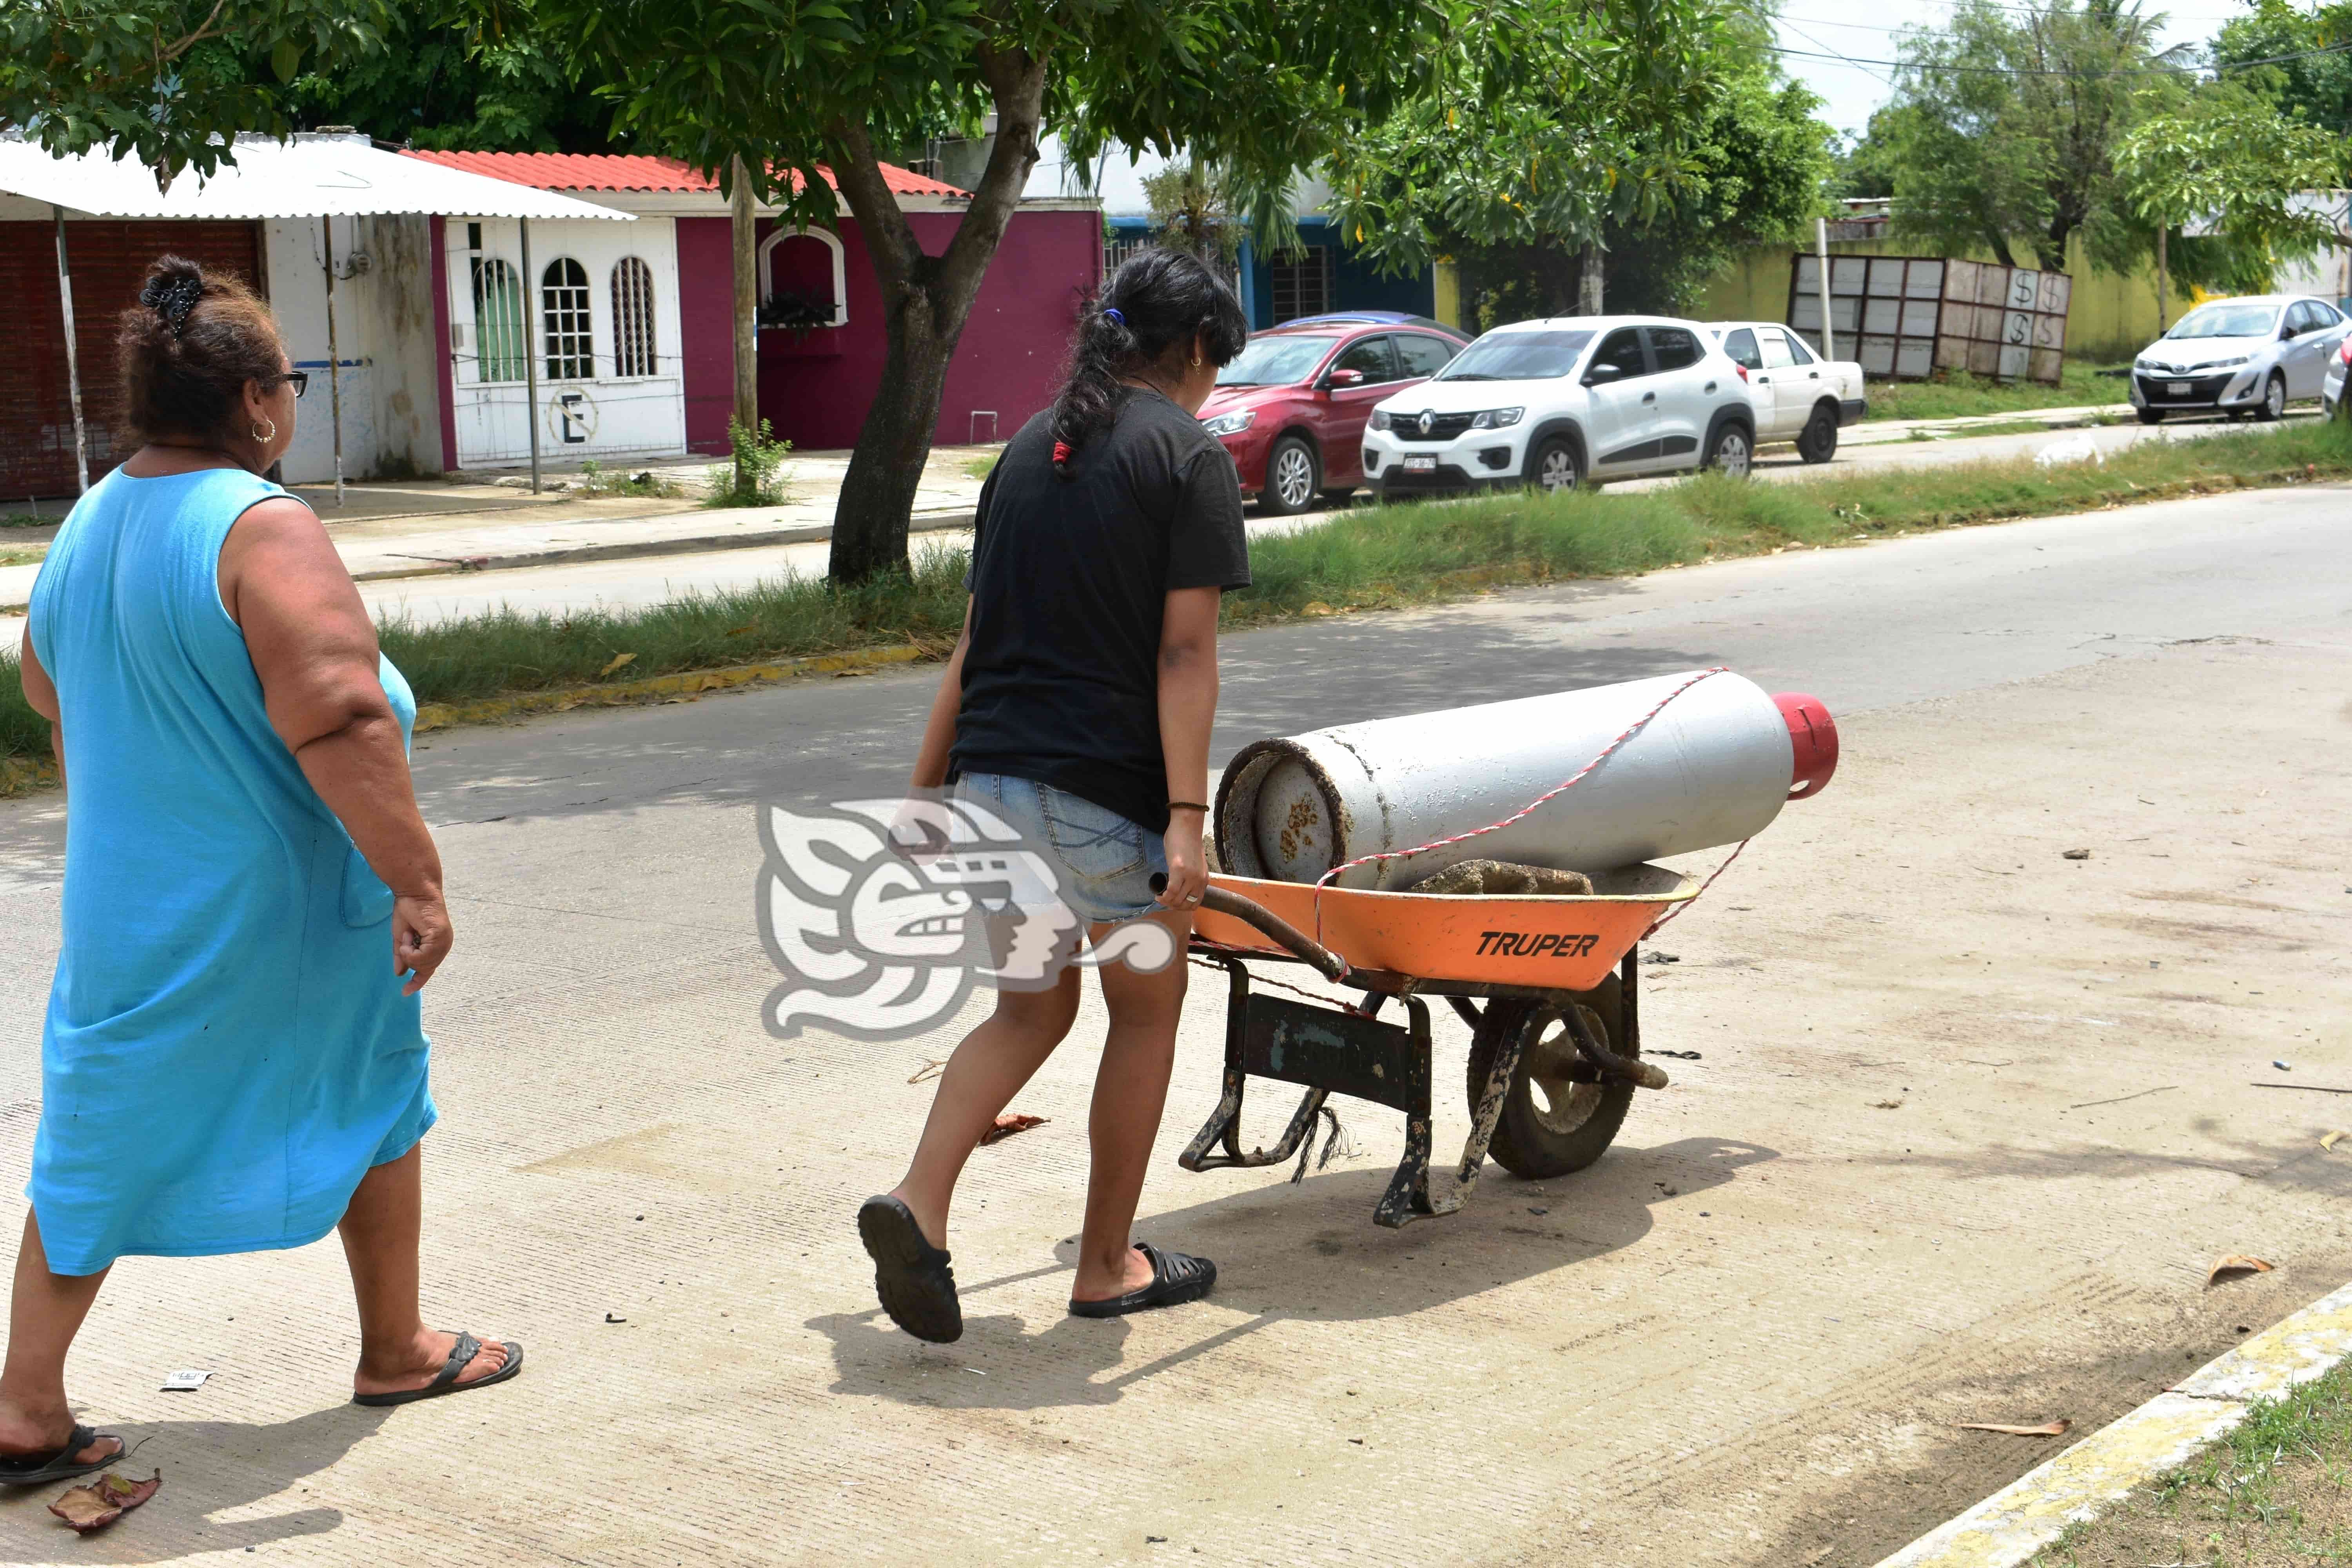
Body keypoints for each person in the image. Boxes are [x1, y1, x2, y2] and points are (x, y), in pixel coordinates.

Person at [0, 257, 519, 1488]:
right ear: (252, 403)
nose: (292, 403)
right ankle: (392, 1346)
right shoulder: (260, 523)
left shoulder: (92, 518)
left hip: (135, 901)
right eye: (289, 382)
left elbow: (45, 688)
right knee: (381, 1088)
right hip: (276, 907)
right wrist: (420, 880)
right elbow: (342, 710)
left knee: (104, 1122)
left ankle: (24, 1404)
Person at [858, 249, 1252, 1343]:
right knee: (1146, 1009)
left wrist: (924, 789)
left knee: (1029, 1006)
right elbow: (1183, 657)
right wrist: (1186, 817)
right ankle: (1106, 1264)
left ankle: (918, 1203)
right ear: (1191, 350)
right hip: (1103, 798)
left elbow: (973, 645)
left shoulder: (1028, 454)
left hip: (989, 785)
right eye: (1217, 360)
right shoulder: (1187, 458)